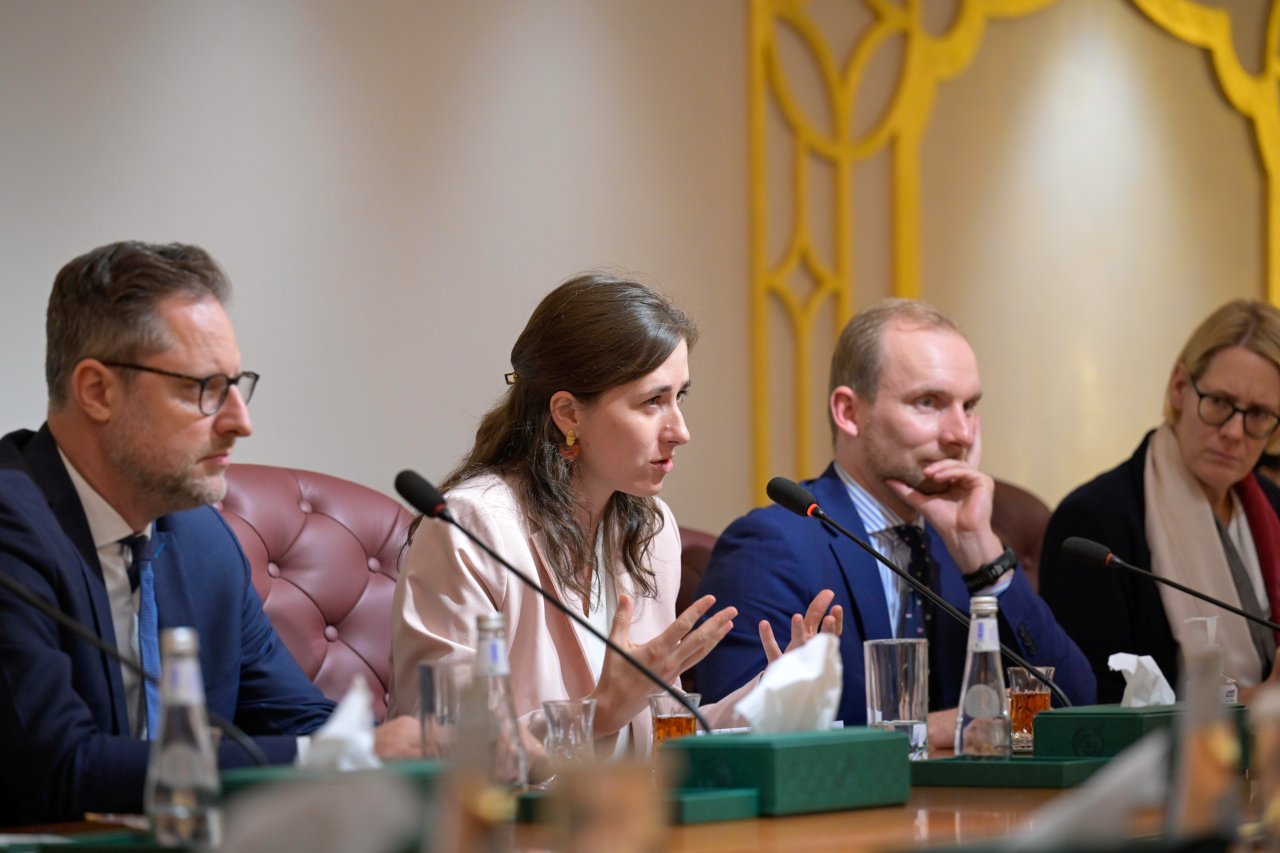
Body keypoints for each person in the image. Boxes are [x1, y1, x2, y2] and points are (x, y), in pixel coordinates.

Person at [0, 241, 419, 826]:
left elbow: (295, 718)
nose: (240, 422)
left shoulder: (201, 538)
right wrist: (344, 755)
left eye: (236, 385)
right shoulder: (12, 525)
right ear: (97, 391)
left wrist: (418, 754)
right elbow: (57, 768)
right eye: (203, 388)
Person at [387, 273, 840, 752]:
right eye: (652, 401)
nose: (680, 431)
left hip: (630, 801)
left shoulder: (650, 529)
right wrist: (597, 713)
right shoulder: (470, 528)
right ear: (568, 413)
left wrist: (774, 694)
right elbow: (443, 741)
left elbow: (661, 735)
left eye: (680, 397)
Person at [694, 299, 1095, 741]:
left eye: (968, 406)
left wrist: (982, 553)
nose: (961, 434)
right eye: (929, 402)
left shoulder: (964, 550)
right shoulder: (771, 547)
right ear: (849, 412)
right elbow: (737, 740)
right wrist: (934, 730)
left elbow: (1076, 706)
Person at [1042, 300, 1280, 703]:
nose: (1234, 432)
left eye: (1258, 414)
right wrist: (1256, 702)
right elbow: (1089, 704)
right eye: (1219, 402)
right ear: (1180, 387)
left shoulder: (1273, 507)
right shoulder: (1095, 521)